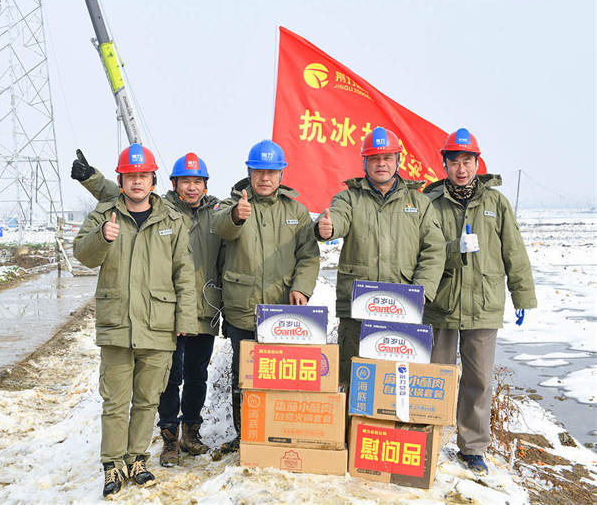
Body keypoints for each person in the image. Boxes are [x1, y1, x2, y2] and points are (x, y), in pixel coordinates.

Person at [72, 149, 222, 467]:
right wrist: (92, 181)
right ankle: (160, 441)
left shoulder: (210, 213)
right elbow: (122, 195)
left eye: (197, 181)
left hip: (192, 312)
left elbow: (189, 266)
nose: (191, 187)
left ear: (206, 185)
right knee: (161, 383)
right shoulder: (155, 210)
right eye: (185, 181)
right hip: (152, 316)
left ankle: (183, 435)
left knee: (189, 380)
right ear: (172, 183)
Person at [423, 128, 536, 475]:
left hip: (484, 303)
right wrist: (454, 249)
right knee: (434, 377)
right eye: (454, 161)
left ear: (477, 163)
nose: (461, 169)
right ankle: (428, 440)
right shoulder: (430, 202)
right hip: (440, 303)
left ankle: (472, 448)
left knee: (479, 380)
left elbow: (514, 251)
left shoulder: (496, 203)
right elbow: (422, 250)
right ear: (444, 164)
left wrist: (522, 295)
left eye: (467, 161)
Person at [211, 139, 320, 452]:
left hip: (282, 310)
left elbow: (308, 255)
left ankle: (276, 432)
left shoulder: (296, 211)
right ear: (249, 172)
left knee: (279, 374)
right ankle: (244, 435)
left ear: (281, 174)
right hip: (242, 309)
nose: (265, 178)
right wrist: (236, 216)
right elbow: (219, 227)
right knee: (243, 375)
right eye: (259, 171)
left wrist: (301, 287)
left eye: (271, 172)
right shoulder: (232, 204)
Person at [315, 126, 445, 387]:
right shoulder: (349, 198)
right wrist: (326, 228)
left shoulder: (418, 202)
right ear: (365, 162)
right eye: (374, 158)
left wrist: (422, 290)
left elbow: (434, 249)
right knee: (353, 380)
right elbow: (337, 217)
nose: (381, 164)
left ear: (398, 160)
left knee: (395, 383)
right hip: (357, 309)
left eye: (387, 158)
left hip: (403, 306)